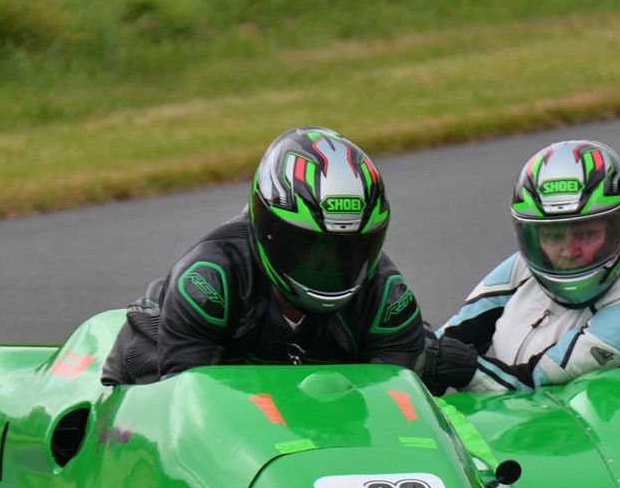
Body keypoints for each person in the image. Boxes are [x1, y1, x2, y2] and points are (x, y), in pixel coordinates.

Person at [103, 126, 477, 392]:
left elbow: (394, 414)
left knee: (446, 365)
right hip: (170, 374)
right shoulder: (210, 280)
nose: (328, 269)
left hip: (310, 416)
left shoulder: (387, 297)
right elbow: (189, 413)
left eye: (349, 250)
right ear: (267, 227)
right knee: (141, 385)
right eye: (309, 249)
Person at [433, 139, 620, 392]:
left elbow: (530, 384)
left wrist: (459, 366)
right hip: (527, 423)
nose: (569, 252)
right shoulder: (524, 266)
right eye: (553, 236)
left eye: (586, 234)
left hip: (605, 428)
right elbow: (452, 336)